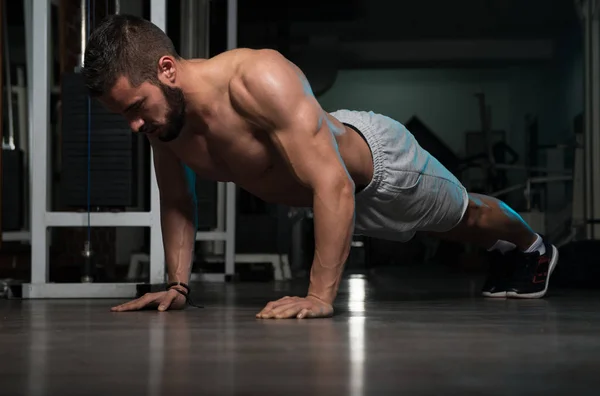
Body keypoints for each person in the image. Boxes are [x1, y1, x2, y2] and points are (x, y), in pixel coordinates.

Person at [82, 14, 558, 319]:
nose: (134, 123)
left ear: (166, 69)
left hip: (375, 169)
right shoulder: (164, 123)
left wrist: (319, 295)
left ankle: (533, 247)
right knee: (450, 232)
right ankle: (505, 251)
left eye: (136, 106)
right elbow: (179, 202)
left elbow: (333, 183)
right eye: (124, 113)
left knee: (463, 218)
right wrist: (178, 286)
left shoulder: (256, 78)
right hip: (323, 190)